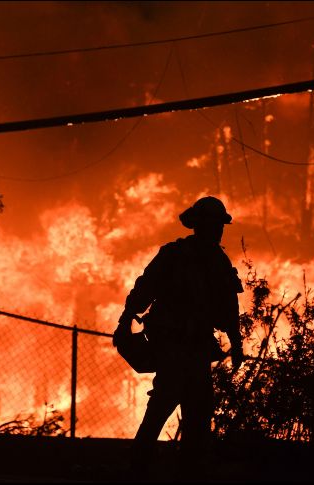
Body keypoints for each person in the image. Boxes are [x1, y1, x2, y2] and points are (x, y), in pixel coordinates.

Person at [113, 196, 245, 478]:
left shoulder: (218, 262)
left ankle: (185, 473)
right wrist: (126, 319)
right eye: (214, 224)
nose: (218, 230)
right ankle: (139, 470)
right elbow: (144, 290)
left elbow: (229, 308)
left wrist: (236, 342)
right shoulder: (175, 255)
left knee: (197, 418)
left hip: (196, 352)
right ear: (199, 225)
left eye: (220, 225)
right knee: (162, 408)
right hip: (174, 349)